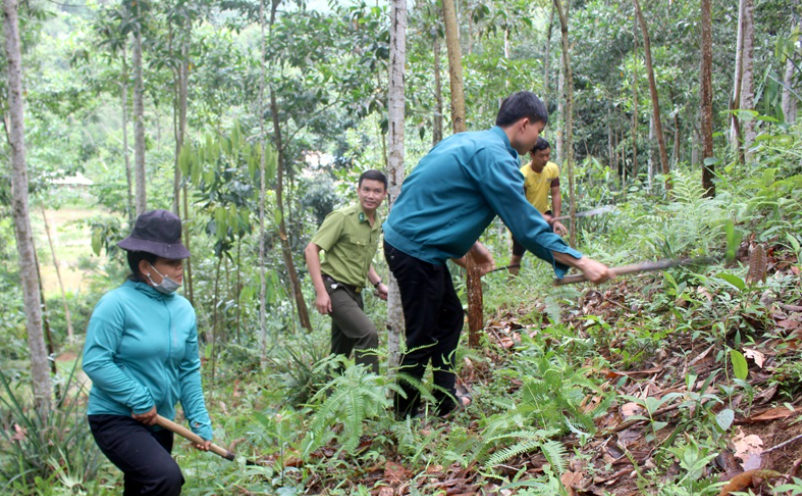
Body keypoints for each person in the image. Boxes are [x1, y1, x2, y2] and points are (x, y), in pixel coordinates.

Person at [383, 91, 612, 420]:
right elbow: (526, 226)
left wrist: (470, 246)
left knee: (449, 317)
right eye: (537, 131)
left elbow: (442, 197)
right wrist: (581, 261)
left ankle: (444, 399)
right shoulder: (498, 158)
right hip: (415, 250)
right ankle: (402, 418)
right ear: (524, 124)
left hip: (413, 242)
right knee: (422, 335)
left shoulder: (470, 141)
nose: (536, 141)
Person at [83, 209, 213, 496]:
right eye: (171, 262)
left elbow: (188, 369)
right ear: (145, 266)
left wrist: (200, 421)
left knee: (143, 487)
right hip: (116, 416)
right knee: (165, 478)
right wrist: (137, 398)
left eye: (181, 261)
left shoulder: (184, 310)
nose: (180, 268)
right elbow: (95, 361)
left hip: (159, 420)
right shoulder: (115, 304)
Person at [304, 170, 389, 374]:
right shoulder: (342, 218)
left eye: (377, 191)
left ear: (384, 195)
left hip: (354, 293)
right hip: (334, 288)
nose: (371, 195)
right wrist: (321, 292)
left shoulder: (376, 223)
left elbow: (362, 259)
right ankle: (370, 398)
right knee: (367, 334)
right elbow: (311, 250)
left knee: (339, 355)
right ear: (358, 190)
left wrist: (378, 284)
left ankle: (327, 402)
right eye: (366, 189)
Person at [509, 137, 567, 276]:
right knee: (517, 255)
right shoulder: (522, 175)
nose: (545, 159)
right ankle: (511, 284)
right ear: (532, 154)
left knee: (556, 247)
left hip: (545, 214)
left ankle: (560, 278)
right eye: (541, 156)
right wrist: (539, 217)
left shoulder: (552, 169)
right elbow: (520, 204)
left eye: (548, 155)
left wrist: (556, 219)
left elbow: (556, 193)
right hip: (524, 219)